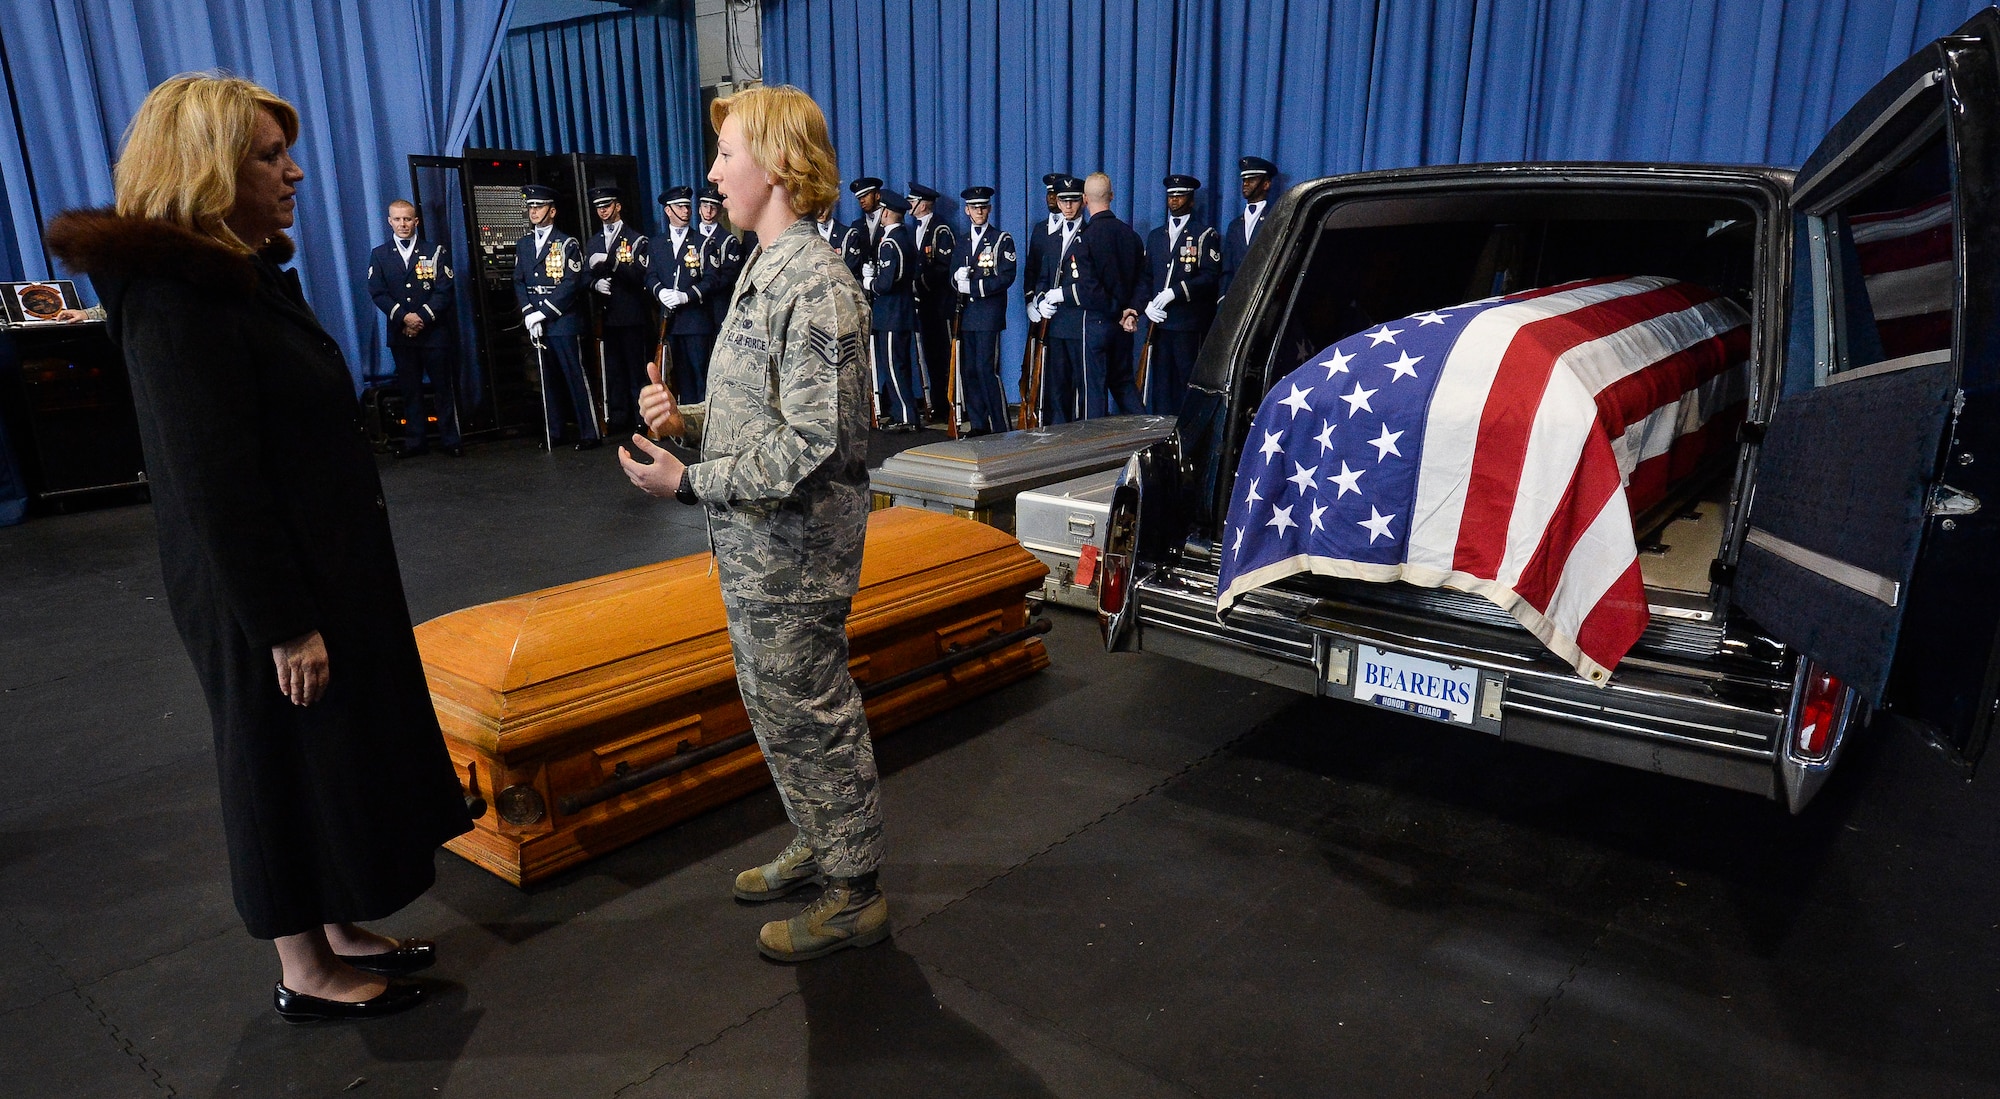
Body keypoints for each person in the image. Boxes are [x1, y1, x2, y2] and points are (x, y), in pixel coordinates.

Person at [46, 72, 472, 1022]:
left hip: (311, 567)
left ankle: (337, 926)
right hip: (262, 589)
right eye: (270, 157)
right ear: (207, 169)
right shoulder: (174, 296)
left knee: (323, 751)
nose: (296, 173)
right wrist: (283, 622)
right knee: (276, 757)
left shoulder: (226, 276)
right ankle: (304, 966)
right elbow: (211, 480)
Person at [617, 83, 884, 963]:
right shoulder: (764, 267)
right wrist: (687, 419)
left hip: (795, 549)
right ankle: (819, 835)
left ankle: (854, 889)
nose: (712, 171)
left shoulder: (818, 285)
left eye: (727, 154)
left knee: (811, 710)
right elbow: (758, 410)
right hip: (759, 545)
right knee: (774, 705)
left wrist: (689, 479)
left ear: (773, 166)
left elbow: (815, 444)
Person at [1041, 172, 1145, 419]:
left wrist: (1116, 311)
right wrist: (1131, 310)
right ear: (1111, 196)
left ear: (1085, 200)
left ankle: (1095, 451)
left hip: (1097, 323)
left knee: (1093, 391)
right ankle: (1150, 436)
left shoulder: (1085, 239)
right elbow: (1142, 280)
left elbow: (1089, 289)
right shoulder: (1131, 236)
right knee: (1123, 383)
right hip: (1125, 326)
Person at [366, 199, 461, 457]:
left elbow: (444, 291)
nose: (402, 224)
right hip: (401, 334)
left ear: (416, 221)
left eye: (407, 219)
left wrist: (420, 317)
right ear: (389, 222)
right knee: (410, 390)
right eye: (397, 219)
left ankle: (450, 440)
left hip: (434, 334)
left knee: (443, 388)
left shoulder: (434, 252)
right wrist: (404, 318)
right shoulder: (380, 254)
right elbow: (377, 292)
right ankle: (415, 442)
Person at [516, 184, 601, 449]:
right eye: (530, 207)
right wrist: (529, 312)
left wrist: (543, 312)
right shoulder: (524, 244)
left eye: (538, 206)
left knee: (574, 376)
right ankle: (555, 431)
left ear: (552, 211)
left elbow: (570, 282)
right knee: (547, 379)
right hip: (537, 322)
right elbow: (518, 280)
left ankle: (590, 432)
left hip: (562, 321)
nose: (533, 211)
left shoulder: (566, 243)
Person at [1140, 174, 1222, 414]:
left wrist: (1175, 293)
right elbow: (1146, 276)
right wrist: (1146, 304)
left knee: (1186, 381)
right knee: (1161, 385)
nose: (1175, 200)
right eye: (1171, 196)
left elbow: (1209, 276)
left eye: (1181, 195)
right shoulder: (1156, 236)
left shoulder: (1204, 235)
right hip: (1160, 324)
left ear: (1192, 201)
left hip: (1187, 322)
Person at [585, 186, 652, 433]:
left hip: (631, 314)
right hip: (607, 315)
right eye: (599, 207)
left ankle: (640, 418)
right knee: (612, 370)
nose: (603, 211)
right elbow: (583, 276)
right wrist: (594, 283)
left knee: (636, 371)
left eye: (607, 205)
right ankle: (618, 417)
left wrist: (611, 263)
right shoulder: (594, 240)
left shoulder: (635, 239)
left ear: (618, 206)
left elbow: (640, 275)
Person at [949, 186, 1016, 435]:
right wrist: (957, 280)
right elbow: (952, 277)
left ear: (989, 209)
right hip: (967, 316)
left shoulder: (1001, 239)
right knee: (970, 371)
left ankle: (999, 424)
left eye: (983, 206)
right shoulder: (962, 241)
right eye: (974, 207)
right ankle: (978, 424)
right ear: (967, 211)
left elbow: (1006, 276)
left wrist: (974, 287)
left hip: (988, 315)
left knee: (987, 369)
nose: (979, 210)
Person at [646, 186, 721, 402]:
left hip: (696, 320)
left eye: (688, 206)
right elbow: (650, 275)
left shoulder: (703, 242)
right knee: (678, 377)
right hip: (670, 322)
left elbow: (711, 279)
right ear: (668, 211)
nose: (686, 211)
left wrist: (686, 296)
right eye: (680, 206)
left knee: (701, 376)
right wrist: (660, 292)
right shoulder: (656, 244)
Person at [1029, 175, 1087, 422]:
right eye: (1063, 201)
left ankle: (1082, 436)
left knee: (1081, 385)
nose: (1068, 206)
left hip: (1079, 321)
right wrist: (1040, 300)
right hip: (1055, 323)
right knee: (1056, 383)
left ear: (1082, 202)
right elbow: (1043, 276)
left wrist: (1063, 294)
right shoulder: (1052, 238)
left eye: (1073, 201)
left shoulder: (1090, 234)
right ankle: (1059, 433)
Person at [867, 191, 922, 430]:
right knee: (897, 364)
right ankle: (903, 413)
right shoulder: (903, 236)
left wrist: (870, 282)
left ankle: (907, 416)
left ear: (886, 212)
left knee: (893, 365)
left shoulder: (891, 242)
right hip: (899, 311)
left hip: (892, 313)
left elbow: (888, 282)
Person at [907, 182, 956, 423]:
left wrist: (920, 285)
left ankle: (950, 405)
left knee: (944, 357)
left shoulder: (941, 230)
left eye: (912, 201)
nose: (909, 205)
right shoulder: (914, 229)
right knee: (930, 356)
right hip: (925, 305)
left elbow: (943, 267)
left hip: (939, 304)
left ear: (923, 204)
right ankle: (936, 405)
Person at [1220, 156, 1276, 298]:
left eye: (1252, 180)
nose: (1245, 184)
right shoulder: (1234, 225)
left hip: (1265, 298)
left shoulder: (1275, 219)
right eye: (1244, 180)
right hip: (1238, 299)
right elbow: (1227, 270)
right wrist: (1223, 299)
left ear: (1266, 184)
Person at [698, 185, 750, 331]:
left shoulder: (728, 241)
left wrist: (704, 288)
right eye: (705, 206)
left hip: (718, 303)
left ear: (720, 211)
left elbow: (729, 275)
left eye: (713, 207)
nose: (708, 211)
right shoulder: (691, 238)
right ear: (699, 208)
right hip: (694, 306)